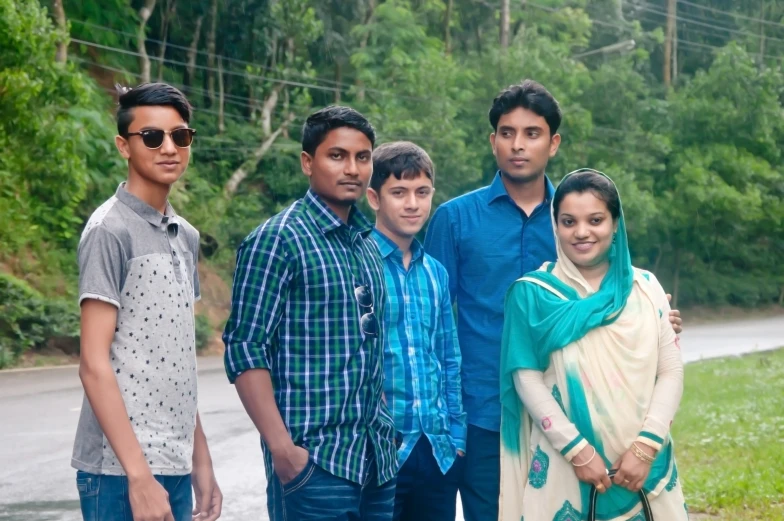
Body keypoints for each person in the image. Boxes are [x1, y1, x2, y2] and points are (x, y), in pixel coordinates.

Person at [424, 80, 683, 521]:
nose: (518, 145)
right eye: (507, 133)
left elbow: (616, 299)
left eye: (532, 133)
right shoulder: (454, 219)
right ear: (492, 141)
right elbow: (427, 321)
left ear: (554, 142)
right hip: (486, 417)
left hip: (582, 422)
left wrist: (658, 321)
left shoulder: (576, 216)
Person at [223, 106, 397, 521]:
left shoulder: (367, 245)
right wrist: (283, 451)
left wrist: (388, 432)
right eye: (336, 156)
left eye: (362, 157)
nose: (352, 168)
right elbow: (246, 349)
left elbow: (370, 348)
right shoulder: (278, 240)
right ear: (307, 162)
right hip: (314, 465)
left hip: (375, 461)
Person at [499, 169, 688, 521]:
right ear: (555, 225)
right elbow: (525, 379)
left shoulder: (645, 289)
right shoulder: (533, 294)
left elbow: (671, 370)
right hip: (564, 466)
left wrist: (646, 447)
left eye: (596, 220)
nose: (582, 232)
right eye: (569, 221)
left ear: (616, 224)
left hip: (646, 468)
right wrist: (578, 452)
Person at [73, 83, 222, 521]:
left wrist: (201, 460)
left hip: (173, 463)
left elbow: (175, 358)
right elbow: (93, 363)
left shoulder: (186, 236)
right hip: (120, 472)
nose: (169, 148)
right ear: (124, 145)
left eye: (181, 136)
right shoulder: (109, 230)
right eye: (152, 137)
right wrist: (138, 476)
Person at [366, 142, 467, 521]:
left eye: (421, 193)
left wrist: (457, 437)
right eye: (399, 192)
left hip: (437, 452)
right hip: (381, 452)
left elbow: (448, 357)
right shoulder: (358, 265)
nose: (412, 204)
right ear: (374, 198)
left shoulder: (436, 273)